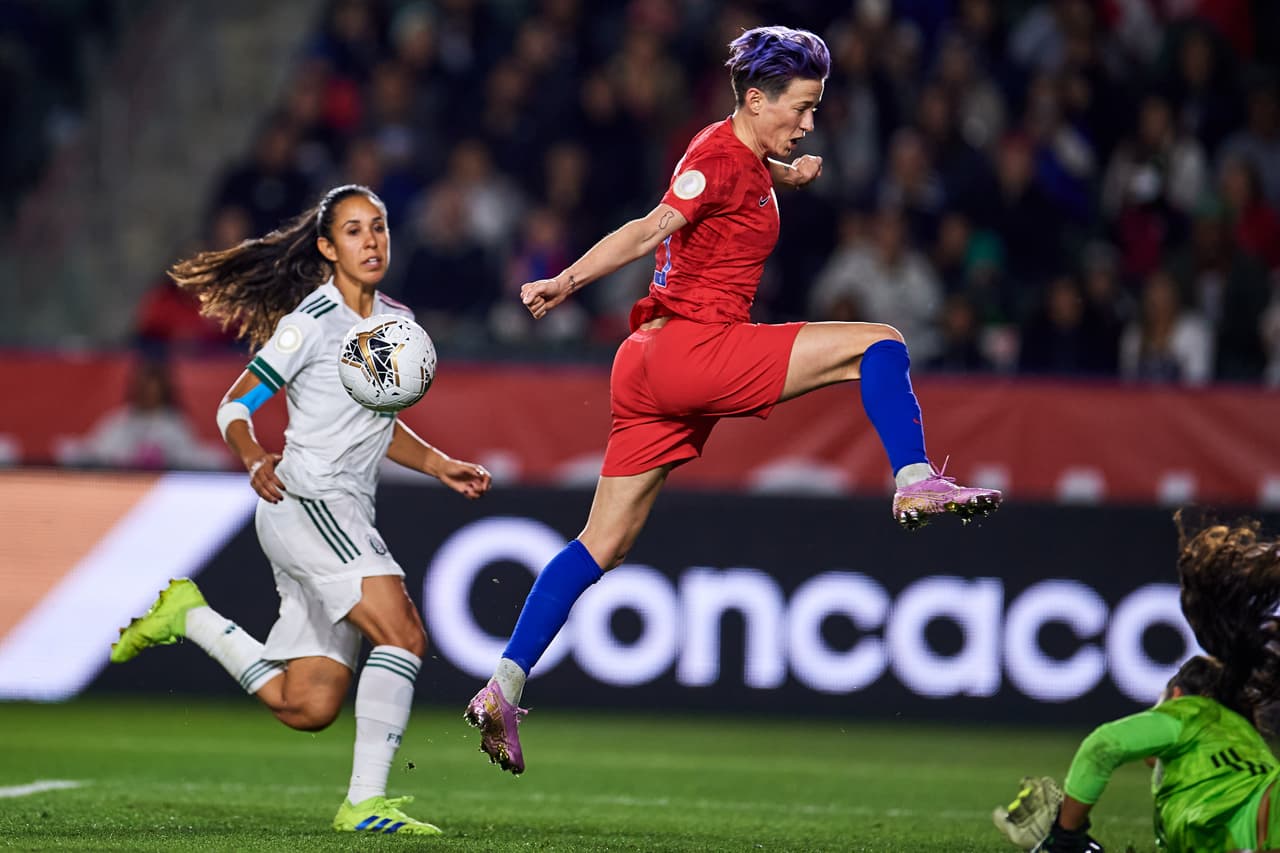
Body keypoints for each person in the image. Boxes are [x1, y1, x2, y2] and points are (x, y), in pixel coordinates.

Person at [463, 26, 1001, 776]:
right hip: (695, 348)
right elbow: (655, 223)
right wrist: (566, 280)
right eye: (803, 108)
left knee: (604, 542)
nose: (809, 123)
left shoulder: (739, 156)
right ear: (757, 98)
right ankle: (914, 482)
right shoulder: (718, 156)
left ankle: (505, 685)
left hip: (647, 365)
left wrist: (786, 172)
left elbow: (732, 185)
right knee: (880, 343)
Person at [109, 184, 491, 835]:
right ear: (326, 246)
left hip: (343, 513)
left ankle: (192, 616)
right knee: (403, 635)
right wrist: (254, 454)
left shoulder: (396, 320)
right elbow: (235, 404)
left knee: (306, 704)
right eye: (353, 231)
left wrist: (439, 463)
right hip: (304, 500)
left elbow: (379, 424)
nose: (371, 241)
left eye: (378, 227)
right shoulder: (311, 320)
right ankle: (365, 804)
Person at [994, 514, 1280, 852]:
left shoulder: (1193, 712)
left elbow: (1104, 745)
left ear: (1175, 695)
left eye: (1157, 706)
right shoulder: (1239, 756)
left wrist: (1065, 836)